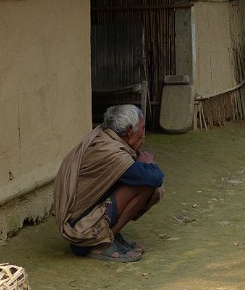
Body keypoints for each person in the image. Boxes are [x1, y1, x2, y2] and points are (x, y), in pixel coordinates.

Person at [53, 104, 164, 262]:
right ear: (129, 131)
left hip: (82, 218)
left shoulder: (107, 141)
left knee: (140, 181)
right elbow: (155, 178)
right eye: (143, 128)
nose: (144, 135)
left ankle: (108, 235)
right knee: (145, 185)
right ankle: (99, 243)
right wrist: (149, 164)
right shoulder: (110, 152)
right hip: (79, 229)